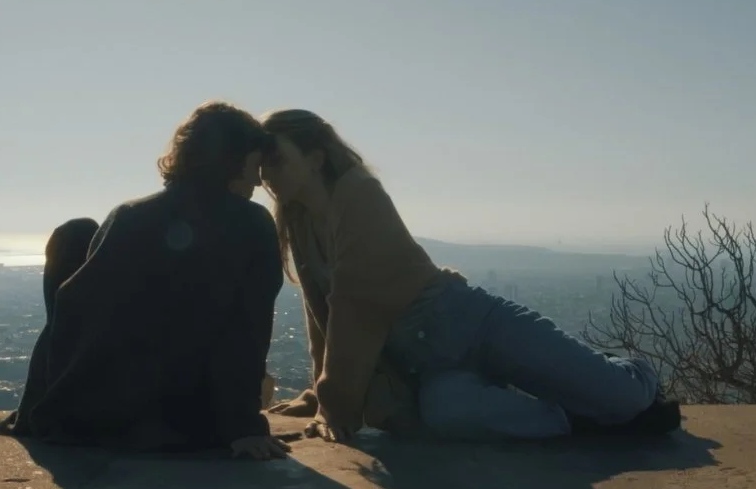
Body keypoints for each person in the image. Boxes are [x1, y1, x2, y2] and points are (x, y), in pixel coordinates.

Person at [259, 109, 681, 443]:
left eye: (276, 160)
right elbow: (323, 318)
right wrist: (318, 393)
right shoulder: (299, 222)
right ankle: (582, 420)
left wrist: (334, 404)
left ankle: (630, 377)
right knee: (446, 415)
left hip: (473, 324)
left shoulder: (358, 193)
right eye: (261, 165)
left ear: (315, 159)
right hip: (428, 365)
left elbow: (355, 308)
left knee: (622, 395)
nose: (265, 175)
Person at [0, 102, 290, 459]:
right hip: (175, 423)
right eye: (255, 166)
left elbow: (75, 318)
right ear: (232, 160)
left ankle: (34, 407)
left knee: (74, 236)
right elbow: (245, 330)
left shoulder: (127, 215)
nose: (258, 181)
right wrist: (243, 426)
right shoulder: (251, 223)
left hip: (81, 415)